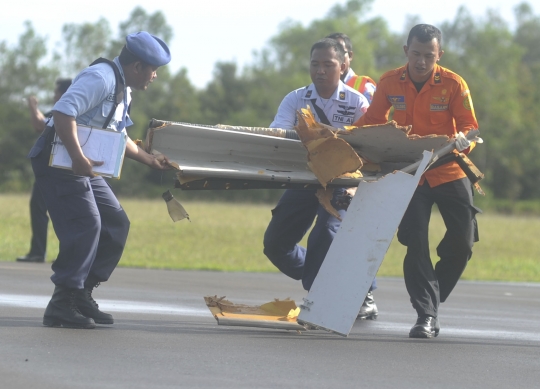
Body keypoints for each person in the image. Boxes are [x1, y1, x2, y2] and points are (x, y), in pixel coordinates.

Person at [28, 31, 172, 329]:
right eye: (153, 69)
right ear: (136, 67)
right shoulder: (101, 78)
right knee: (86, 224)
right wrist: (79, 158)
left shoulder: (124, 88)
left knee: (115, 223)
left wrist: (149, 159)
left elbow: (119, 134)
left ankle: (81, 293)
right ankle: (61, 303)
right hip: (59, 159)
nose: (155, 76)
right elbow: (63, 112)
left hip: (78, 162)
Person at [354, 24, 480, 338]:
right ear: (406, 51)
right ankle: (426, 316)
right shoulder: (389, 82)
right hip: (411, 173)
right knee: (415, 243)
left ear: (439, 55)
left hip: (449, 168)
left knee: (462, 243)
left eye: (428, 55)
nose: (421, 61)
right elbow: (369, 123)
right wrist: (342, 140)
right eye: (416, 54)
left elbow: (470, 126)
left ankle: (431, 298)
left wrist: (466, 141)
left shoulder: (453, 84)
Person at [263, 38, 370, 296]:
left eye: (328, 64)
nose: (320, 70)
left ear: (343, 66)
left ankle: (320, 297)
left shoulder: (358, 103)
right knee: (275, 244)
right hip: (305, 178)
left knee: (324, 234)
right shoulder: (295, 99)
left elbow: (369, 148)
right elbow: (277, 135)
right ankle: (330, 274)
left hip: (341, 183)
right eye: (315, 64)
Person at [326, 32, 379, 320]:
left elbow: (371, 125)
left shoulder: (364, 86)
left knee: (354, 232)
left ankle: (365, 294)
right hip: (328, 169)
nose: (339, 59)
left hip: (360, 168)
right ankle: (331, 281)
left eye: (343, 53)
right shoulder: (318, 86)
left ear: (349, 58)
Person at [17, 78, 72, 263]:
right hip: (56, 169)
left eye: (56, 92)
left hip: (54, 170)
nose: (54, 95)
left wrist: (32, 106)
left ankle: (39, 252)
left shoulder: (65, 112)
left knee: (42, 207)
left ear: (64, 93)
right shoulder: (61, 111)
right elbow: (41, 122)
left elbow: (39, 125)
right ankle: (43, 252)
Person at [325, 32, 376, 104]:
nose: (335, 57)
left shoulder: (365, 87)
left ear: (350, 55)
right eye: (330, 53)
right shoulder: (319, 85)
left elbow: (374, 114)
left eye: (340, 52)